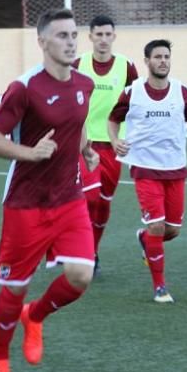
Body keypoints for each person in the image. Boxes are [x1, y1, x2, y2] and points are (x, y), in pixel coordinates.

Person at [0, 9, 99, 372]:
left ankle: (37, 316)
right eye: (62, 35)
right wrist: (31, 154)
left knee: (81, 276)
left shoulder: (84, 83)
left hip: (69, 196)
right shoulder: (24, 87)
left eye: (73, 35)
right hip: (25, 203)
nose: (70, 42)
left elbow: (76, 123)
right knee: (14, 288)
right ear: (43, 41)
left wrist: (87, 150)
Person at [108, 39, 187, 304]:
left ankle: (144, 239)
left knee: (171, 230)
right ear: (147, 61)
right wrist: (115, 140)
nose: (163, 60)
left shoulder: (181, 91)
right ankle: (160, 287)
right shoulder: (133, 92)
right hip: (144, 167)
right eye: (157, 57)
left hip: (175, 168)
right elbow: (113, 119)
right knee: (156, 225)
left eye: (166, 56)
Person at [73, 15, 139, 274]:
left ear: (114, 36)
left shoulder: (126, 66)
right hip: (84, 144)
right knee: (89, 198)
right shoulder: (79, 64)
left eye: (107, 34)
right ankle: (77, 247)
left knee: (103, 203)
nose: (102, 39)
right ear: (90, 37)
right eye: (97, 34)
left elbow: (137, 102)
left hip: (114, 145)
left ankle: (92, 252)